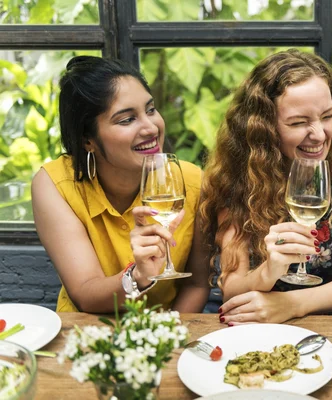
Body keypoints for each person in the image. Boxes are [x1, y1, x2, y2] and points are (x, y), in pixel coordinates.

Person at [198, 49, 332, 324]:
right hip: (257, 321)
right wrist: (269, 271)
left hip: (330, 323)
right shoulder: (239, 177)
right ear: (264, 127)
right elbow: (232, 287)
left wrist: (289, 304)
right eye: (299, 122)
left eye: (327, 116)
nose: (320, 135)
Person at [32, 56, 209, 313]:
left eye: (150, 110)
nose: (151, 127)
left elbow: (196, 285)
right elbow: (85, 293)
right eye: (127, 120)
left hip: (167, 332)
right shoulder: (55, 184)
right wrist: (138, 276)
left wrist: (168, 337)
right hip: (85, 334)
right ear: (87, 140)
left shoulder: (192, 182)